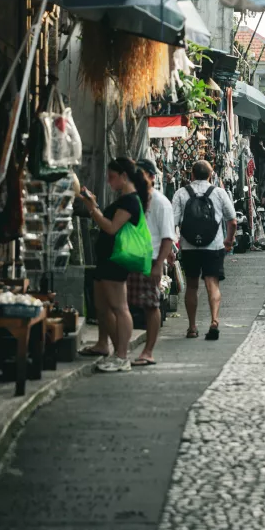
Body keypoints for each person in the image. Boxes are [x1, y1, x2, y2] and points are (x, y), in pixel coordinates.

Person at [80, 157, 150, 373]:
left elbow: (111, 227)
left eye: (112, 177)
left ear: (124, 176)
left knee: (119, 307)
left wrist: (93, 209)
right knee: (102, 307)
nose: (109, 182)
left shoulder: (130, 200)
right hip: (106, 259)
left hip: (115, 260)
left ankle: (122, 355)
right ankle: (104, 345)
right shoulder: (125, 198)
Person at [172, 160, 236, 340]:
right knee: (212, 283)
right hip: (213, 246)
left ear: (191, 175)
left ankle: (192, 327)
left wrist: (172, 246)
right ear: (211, 174)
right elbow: (232, 220)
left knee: (192, 286)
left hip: (189, 246)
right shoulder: (219, 193)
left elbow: (173, 222)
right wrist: (228, 241)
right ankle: (214, 321)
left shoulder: (181, 193)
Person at [127, 160, 175, 366]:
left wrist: (158, 265)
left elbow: (167, 237)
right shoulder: (133, 198)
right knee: (125, 305)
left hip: (150, 259)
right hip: (130, 258)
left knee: (151, 305)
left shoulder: (160, 202)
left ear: (151, 177)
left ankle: (148, 351)